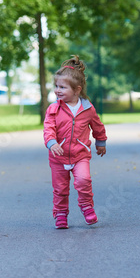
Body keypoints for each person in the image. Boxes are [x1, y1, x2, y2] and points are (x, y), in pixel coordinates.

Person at [43, 55, 107, 229]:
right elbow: (48, 128)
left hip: (80, 155)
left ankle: (87, 207)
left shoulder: (87, 108)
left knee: (84, 180)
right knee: (60, 189)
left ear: (77, 90)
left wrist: (100, 141)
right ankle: (61, 215)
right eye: (56, 86)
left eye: (62, 87)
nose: (58, 90)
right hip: (58, 156)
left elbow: (97, 125)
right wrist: (51, 143)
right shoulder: (54, 109)